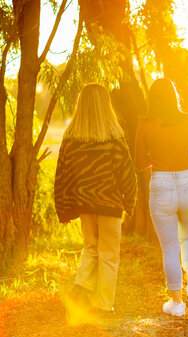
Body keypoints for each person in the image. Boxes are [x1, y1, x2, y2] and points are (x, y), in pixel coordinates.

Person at [54, 83, 137, 313]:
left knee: (90, 249)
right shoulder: (114, 136)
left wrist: (64, 207)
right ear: (105, 105)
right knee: (109, 255)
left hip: (85, 205)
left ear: (81, 105)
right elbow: (127, 173)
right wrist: (129, 201)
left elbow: (62, 174)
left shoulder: (71, 137)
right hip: (110, 205)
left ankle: (81, 286)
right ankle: (103, 305)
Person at [135, 78, 188, 317]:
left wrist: (155, 158)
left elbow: (138, 163)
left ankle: (176, 304)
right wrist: (183, 154)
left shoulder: (144, 124)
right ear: (174, 96)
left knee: (169, 247)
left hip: (162, 184)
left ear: (152, 99)